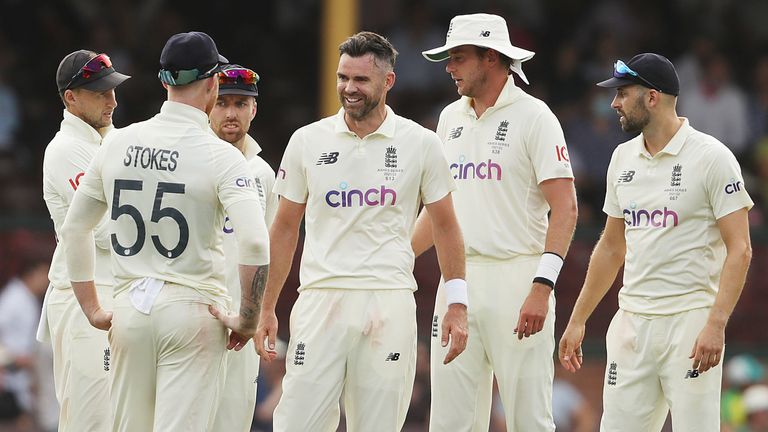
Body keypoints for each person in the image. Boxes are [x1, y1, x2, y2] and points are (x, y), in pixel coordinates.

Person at [255, 31, 468, 431]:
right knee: (296, 423)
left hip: (388, 300)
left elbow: (447, 226)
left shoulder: (421, 143)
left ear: (388, 82)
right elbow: (284, 228)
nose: (348, 89)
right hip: (321, 298)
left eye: (360, 80)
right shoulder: (307, 140)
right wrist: (267, 307)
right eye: (343, 78)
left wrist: (457, 302)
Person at [59, 31, 270, 432]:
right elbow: (256, 241)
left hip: (129, 311)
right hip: (194, 311)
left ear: (163, 82)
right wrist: (247, 318)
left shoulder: (119, 143)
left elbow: (74, 229)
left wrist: (92, 309)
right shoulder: (222, 156)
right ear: (213, 83)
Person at [559, 53, 753, 432]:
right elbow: (612, 247)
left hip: (691, 323)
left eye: (622, 94)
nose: (614, 103)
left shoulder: (713, 158)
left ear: (652, 98)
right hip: (632, 323)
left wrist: (715, 323)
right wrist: (578, 319)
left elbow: (741, 249)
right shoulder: (621, 158)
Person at [414, 13, 578, 432]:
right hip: (458, 282)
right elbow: (439, 213)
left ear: (491, 57)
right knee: (450, 419)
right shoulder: (450, 118)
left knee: (528, 418)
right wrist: (395, 260)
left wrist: (543, 286)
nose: (449, 67)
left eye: (458, 57)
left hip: (519, 277)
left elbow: (567, 207)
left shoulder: (535, 117)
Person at [40, 48, 129, 431]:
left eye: (112, 90)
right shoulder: (65, 150)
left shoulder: (112, 141)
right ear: (70, 97)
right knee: (91, 421)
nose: (112, 100)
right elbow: (108, 231)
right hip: (83, 300)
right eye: (100, 92)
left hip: (118, 291)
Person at [209, 63, 277, 432]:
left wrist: (260, 312)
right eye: (222, 103)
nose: (231, 113)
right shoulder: (191, 160)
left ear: (254, 109)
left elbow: (269, 251)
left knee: (232, 421)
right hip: (192, 315)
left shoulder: (263, 175)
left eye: (240, 103)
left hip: (239, 324)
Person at [0, 257, 49, 427]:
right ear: (31, 274)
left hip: (24, 376)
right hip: (8, 375)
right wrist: (8, 359)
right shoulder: (13, 298)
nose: (46, 281)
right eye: (43, 274)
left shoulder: (30, 298)